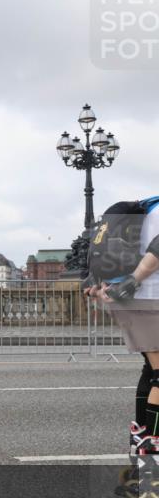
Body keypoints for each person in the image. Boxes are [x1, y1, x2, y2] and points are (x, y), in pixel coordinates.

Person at [87, 196, 159, 463]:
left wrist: (100, 281)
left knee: (152, 372)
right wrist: (132, 280)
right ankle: (151, 458)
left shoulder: (147, 207)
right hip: (149, 297)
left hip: (129, 299)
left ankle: (142, 457)